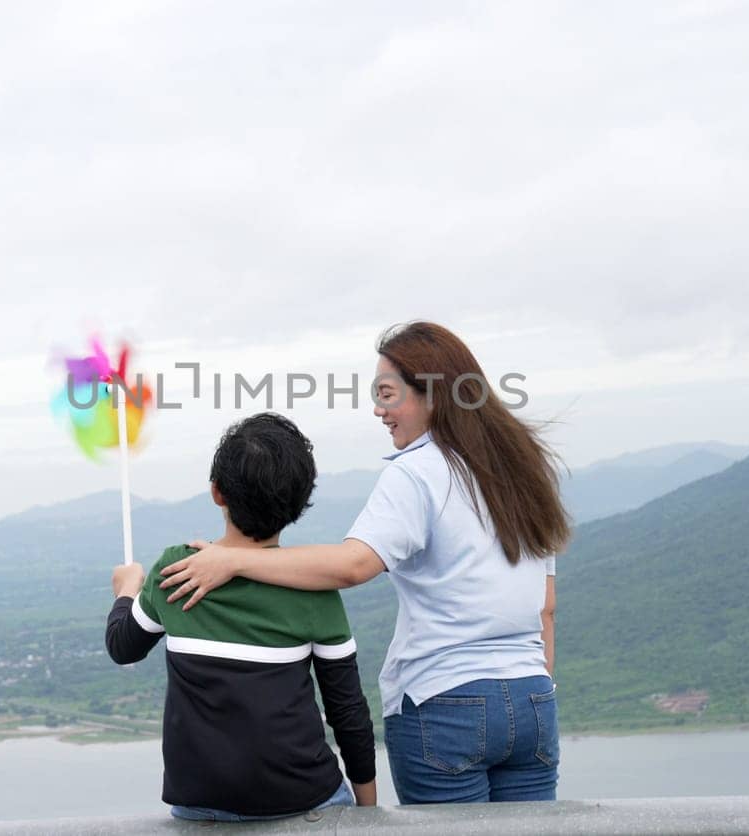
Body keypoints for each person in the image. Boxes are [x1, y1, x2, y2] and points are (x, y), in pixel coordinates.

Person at [158, 321, 569, 804]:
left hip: (445, 702)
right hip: (534, 699)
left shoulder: (417, 472)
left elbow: (352, 566)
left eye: (389, 394)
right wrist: (532, 693)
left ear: (433, 396)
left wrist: (233, 562)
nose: (379, 409)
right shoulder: (524, 468)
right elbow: (545, 607)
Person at [104, 412, 377, 821]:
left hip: (201, 806)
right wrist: (367, 810)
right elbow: (347, 712)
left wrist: (127, 587)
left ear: (217, 492)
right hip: (305, 800)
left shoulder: (177, 570)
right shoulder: (314, 588)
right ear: (301, 502)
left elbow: (122, 646)